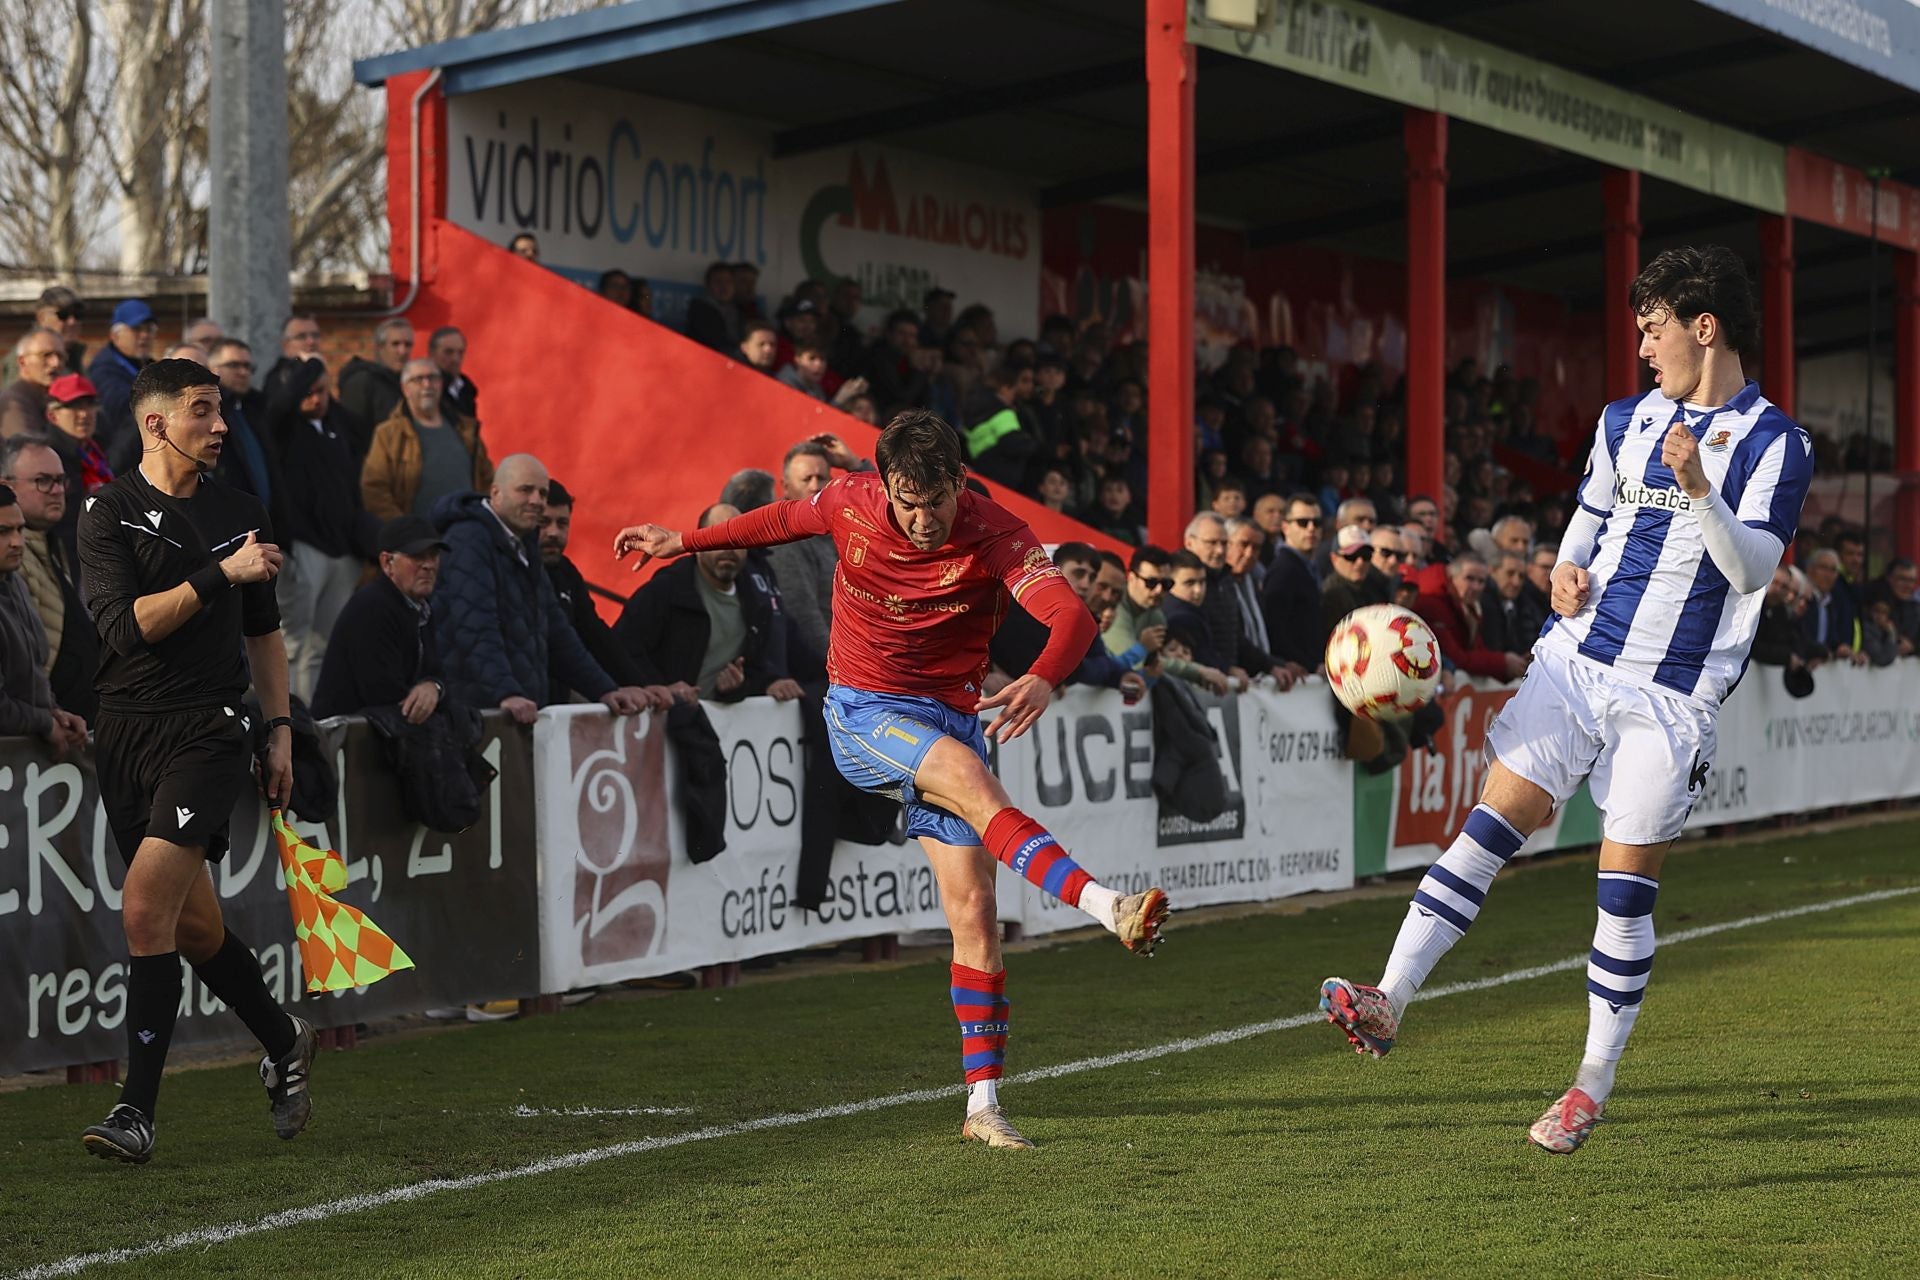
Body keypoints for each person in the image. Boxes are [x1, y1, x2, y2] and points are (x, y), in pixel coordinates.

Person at [1319, 245, 1815, 1154]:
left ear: (1705, 328)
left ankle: (1589, 1085)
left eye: (1653, 328)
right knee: (1489, 828)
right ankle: (1388, 998)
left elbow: (1752, 570)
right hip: (1578, 662)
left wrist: (1701, 490)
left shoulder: (1778, 442)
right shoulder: (1624, 419)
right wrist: (1562, 575)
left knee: (1622, 895)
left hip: (1671, 695)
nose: (1642, 348)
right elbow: (1587, 521)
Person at [613, 410, 1170, 1151]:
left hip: (952, 717)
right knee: (970, 775)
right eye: (906, 501)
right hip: (863, 712)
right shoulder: (851, 501)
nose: (920, 519)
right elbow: (777, 520)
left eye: (934, 501)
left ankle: (982, 1107)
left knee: (974, 912)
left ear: (960, 485)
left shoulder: (996, 531)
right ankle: (1108, 906)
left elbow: (1067, 615)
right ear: (887, 484)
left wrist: (1041, 676)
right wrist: (681, 540)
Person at [75, 358, 315, 1164]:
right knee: (193, 925)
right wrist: (221, 572)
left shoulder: (242, 509)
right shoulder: (106, 513)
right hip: (124, 733)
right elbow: (128, 627)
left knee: (145, 910)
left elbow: (263, 632)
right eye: (203, 411)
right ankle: (284, 1039)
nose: (219, 425)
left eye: (220, 411)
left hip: (209, 729)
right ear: (155, 423)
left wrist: (277, 727)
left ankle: (135, 1113)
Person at [430, 453, 649, 724]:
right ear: (496, 493)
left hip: (515, 713)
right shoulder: (468, 540)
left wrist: (604, 689)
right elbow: (475, 627)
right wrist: (505, 692)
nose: (537, 501)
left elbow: (558, 633)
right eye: (525, 490)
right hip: (475, 716)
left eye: (542, 493)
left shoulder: (525, 546)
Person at [261, 357, 376, 700]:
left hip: (343, 550)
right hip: (306, 546)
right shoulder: (284, 429)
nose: (316, 399)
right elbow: (278, 407)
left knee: (324, 644)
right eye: (308, 392)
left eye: (322, 391)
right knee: (295, 642)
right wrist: (309, 364)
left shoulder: (340, 426)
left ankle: (317, 717)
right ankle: (290, 717)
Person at [614, 502, 802, 704]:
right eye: (719, 536)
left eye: (740, 538)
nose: (729, 547)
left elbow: (754, 669)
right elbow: (620, 649)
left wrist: (745, 687)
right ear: (698, 542)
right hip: (661, 721)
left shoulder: (756, 601)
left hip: (715, 729)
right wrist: (661, 688)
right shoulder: (667, 590)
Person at [537, 479, 670, 705]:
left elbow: (596, 635)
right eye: (544, 523)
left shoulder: (566, 573)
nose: (553, 533)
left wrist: (640, 685)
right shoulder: (515, 570)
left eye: (562, 523)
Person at [311, 516, 448, 721]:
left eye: (433, 555)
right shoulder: (372, 607)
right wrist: (428, 693)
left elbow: (438, 674)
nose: (428, 565)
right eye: (417, 556)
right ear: (387, 562)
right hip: (347, 743)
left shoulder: (421, 607)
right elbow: (386, 696)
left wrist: (434, 687)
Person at [2, 436, 98, 720]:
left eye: (61, 480)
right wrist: (46, 717)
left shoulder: (50, 543)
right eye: (43, 481)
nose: (57, 491)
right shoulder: (15, 558)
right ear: (7, 485)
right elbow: (22, 664)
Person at [0, 482, 86, 753]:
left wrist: (54, 712)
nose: (16, 542)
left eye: (19, 529)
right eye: (2, 532)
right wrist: (44, 723)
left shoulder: (15, 584)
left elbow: (30, 677)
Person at [362, 358, 494, 521]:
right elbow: (374, 489)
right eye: (418, 380)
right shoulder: (388, 434)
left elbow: (487, 478)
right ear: (405, 389)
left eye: (432, 378)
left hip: (467, 531)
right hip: (420, 537)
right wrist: (405, 528)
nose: (427, 385)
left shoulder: (466, 429)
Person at [1413, 553, 1529, 681]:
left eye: (1481, 581)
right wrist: (1503, 663)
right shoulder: (1432, 604)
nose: (1476, 587)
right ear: (1452, 577)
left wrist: (1509, 663)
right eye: (1470, 579)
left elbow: (1476, 649)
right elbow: (1455, 657)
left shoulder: (1467, 605)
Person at [1260, 494, 1328, 672]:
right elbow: (1275, 627)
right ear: (1285, 527)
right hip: (1296, 674)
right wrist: (1309, 665)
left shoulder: (1308, 567)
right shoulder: (1283, 570)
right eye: (1303, 522)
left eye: (1317, 523)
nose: (1311, 528)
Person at [87, 300, 156, 467]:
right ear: (115, 336)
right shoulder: (103, 371)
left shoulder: (149, 366)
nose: (144, 336)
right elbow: (123, 409)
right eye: (137, 329)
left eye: (149, 330)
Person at [335, 318, 414, 461]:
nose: (402, 351)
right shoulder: (362, 382)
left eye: (407, 345)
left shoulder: (408, 383)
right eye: (395, 344)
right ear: (380, 348)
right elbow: (351, 435)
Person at [1, 327, 67, 437]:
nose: (56, 363)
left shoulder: (55, 399)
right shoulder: (13, 403)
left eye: (60, 356)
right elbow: (29, 451)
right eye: (46, 355)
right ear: (22, 361)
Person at [1320, 525, 1387, 632]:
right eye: (1351, 556)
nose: (1360, 562)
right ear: (1334, 558)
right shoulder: (1329, 594)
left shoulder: (1376, 586)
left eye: (1366, 556)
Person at [1481, 549, 1547, 656]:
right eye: (1510, 574)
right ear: (1492, 571)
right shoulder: (1482, 601)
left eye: (1521, 576)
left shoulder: (1523, 603)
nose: (1516, 582)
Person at [1797, 548, 1857, 664]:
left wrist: (1841, 649)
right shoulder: (1800, 597)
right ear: (1810, 569)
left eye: (1833, 570)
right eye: (1823, 568)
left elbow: (1832, 639)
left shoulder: (1834, 604)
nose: (1828, 574)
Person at [685, 260, 741, 354]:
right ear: (708, 285)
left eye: (728, 281)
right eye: (718, 281)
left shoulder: (740, 312)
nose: (724, 286)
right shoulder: (699, 312)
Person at [430, 327, 478, 421]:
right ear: (432, 353)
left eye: (460, 353)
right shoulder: (422, 388)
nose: (455, 359)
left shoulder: (466, 390)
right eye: (448, 352)